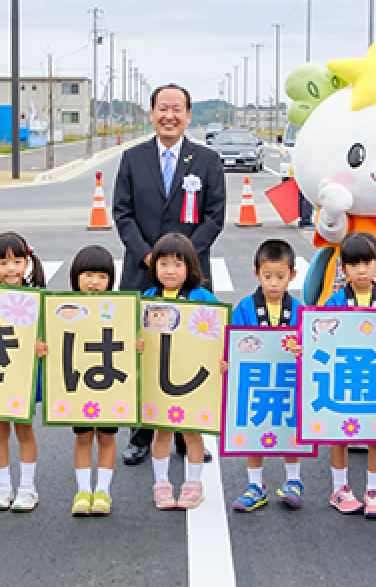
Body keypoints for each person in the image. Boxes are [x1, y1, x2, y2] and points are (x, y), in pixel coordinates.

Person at [116, 84, 226, 466]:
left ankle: (187, 432)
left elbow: (215, 216)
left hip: (190, 276)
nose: (169, 116)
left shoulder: (208, 161)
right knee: (144, 352)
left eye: (177, 109)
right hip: (142, 272)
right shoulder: (132, 159)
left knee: (188, 352)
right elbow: (122, 214)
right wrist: (149, 256)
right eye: (163, 108)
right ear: (151, 113)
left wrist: (183, 260)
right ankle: (140, 433)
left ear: (188, 115)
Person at [317, 232, 376, 519]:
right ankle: (340, 488)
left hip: (375, 380)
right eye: (353, 265)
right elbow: (320, 333)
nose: (361, 271)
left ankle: (373, 492)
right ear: (344, 268)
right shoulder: (335, 301)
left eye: (366, 263)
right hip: (343, 376)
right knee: (339, 435)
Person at [139, 232, 220, 510]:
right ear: (154, 267)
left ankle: (194, 484)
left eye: (177, 264)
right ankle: (161, 483)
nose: (170, 271)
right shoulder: (148, 298)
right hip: (159, 376)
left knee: (191, 431)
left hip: (191, 377)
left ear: (190, 267)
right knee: (161, 430)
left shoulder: (202, 297)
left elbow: (218, 333)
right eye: (163, 264)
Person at [0, 231, 49, 512]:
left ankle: (27, 487)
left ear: (27, 262)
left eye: (17, 261)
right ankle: (2, 485)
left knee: (25, 430)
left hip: (24, 373)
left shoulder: (36, 296)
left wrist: (43, 346)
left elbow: (48, 333)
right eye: (3, 263)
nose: (11, 268)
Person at [229, 239, 305, 513]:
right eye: (267, 276)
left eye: (281, 277)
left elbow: (311, 344)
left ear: (292, 276)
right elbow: (234, 342)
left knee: (290, 430)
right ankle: (255, 485)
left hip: (287, 381)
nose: (274, 283)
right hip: (257, 381)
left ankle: (294, 480)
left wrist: (303, 349)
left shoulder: (299, 309)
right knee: (254, 429)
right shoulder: (245, 308)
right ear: (256, 274)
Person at [66, 245, 121, 517]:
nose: (94, 282)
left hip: (109, 384)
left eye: (102, 276)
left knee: (108, 436)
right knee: (83, 436)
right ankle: (82, 490)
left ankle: (103, 491)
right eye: (88, 275)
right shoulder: (65, 309)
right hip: (80, 385)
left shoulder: (119, 309)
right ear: (76, 277)